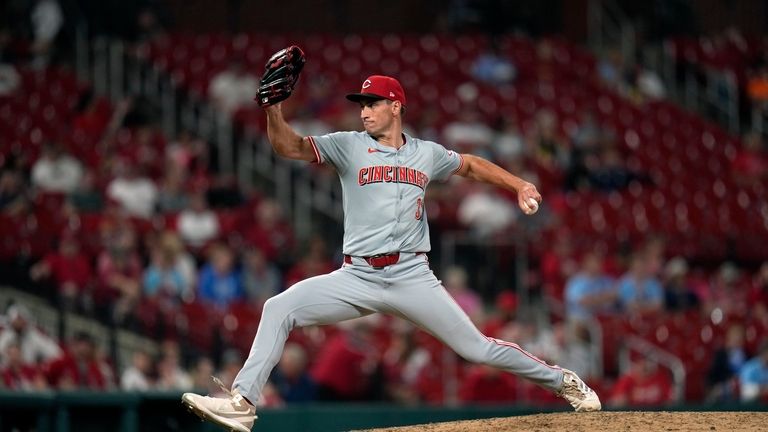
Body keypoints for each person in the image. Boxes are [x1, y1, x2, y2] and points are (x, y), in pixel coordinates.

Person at [182, 74, 601, 432]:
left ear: (395, 106)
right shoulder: (348, 145)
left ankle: (563, 381)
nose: (363, 111)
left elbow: (470, 165)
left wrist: (519, 185)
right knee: (278, 307)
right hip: (356, 277)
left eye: (372, 103)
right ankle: (243, 403)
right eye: (361, 104)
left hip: (411, 276)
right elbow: (289, 147)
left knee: (476, 348)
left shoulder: (427, 154)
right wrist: (274, 111)